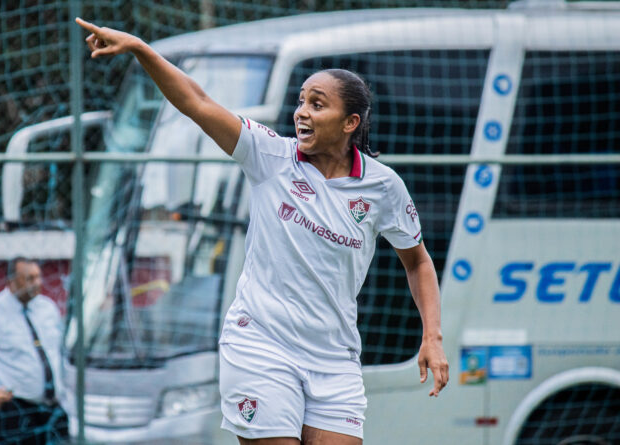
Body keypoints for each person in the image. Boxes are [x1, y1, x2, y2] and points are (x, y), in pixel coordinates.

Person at [75, 18, 449, 445]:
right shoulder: (269, 155)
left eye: (317, 104)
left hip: (335, 358)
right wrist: (142, 49)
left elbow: (417, 261)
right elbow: (197, 102)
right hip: (261, 347)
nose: (302, 112)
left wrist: (432, 337)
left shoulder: (383, 186)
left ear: (350, 123)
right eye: (301, 101)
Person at [0, 258, 69, 444]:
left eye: (38, 277)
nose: (37, 283)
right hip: (16, 407)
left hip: (54, 405)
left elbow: (59, 351)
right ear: (11, 282)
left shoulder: (47, 308)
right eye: (29, 279)